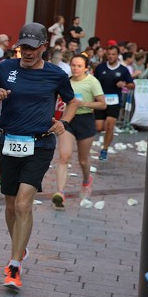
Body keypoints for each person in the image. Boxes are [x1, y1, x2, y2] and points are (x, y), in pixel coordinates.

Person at [0, 22, 76, 292]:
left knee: (23, 204)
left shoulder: (56, 75)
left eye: (33, 48)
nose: (27, 52)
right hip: (10, 141)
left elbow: (73, 102)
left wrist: (64, 123)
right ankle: (20, 248)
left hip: (40, 144)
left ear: (44, 47)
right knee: (10, 205)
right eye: (23, 47)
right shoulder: (5, 69)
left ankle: (14, 265)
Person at [52, 54, 105, 208]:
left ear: (86, 68)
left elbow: (102, 104)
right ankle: (60, 192)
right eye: (73, 65)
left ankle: (86, 180)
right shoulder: (66, 81)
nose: (75, 68)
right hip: (68, 121)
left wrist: (83, 103)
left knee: (83, 160)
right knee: (64, 157)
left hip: (85, 120)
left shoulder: (92, 82)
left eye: (79, 66)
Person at [93, 44, 134, 160]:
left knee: (110, 126)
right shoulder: (100, 68)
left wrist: (124, 84)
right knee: (99, 127)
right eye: (109, 54)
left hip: (115, 101)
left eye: (113, 54)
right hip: (101, 100)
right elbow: (93, 82)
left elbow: (132, 85)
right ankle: (102, 138)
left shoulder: (123, 70)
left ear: (118, 56)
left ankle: (104, 150)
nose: (111, 57)